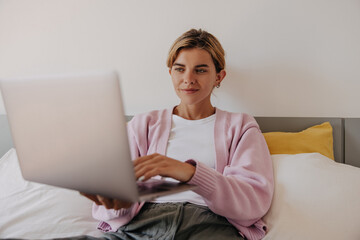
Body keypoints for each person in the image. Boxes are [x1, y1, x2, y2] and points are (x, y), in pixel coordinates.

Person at [82, 29, 274, 240]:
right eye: (180, 69)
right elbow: (114, 204)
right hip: (142, 225)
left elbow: (253, 201)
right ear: (171, 73)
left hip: (208, 225)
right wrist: (114, 201)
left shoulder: (241, 127)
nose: (188, 79)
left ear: (219, 76)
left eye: (200, 70)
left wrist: (189, 173)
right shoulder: (143, 124)